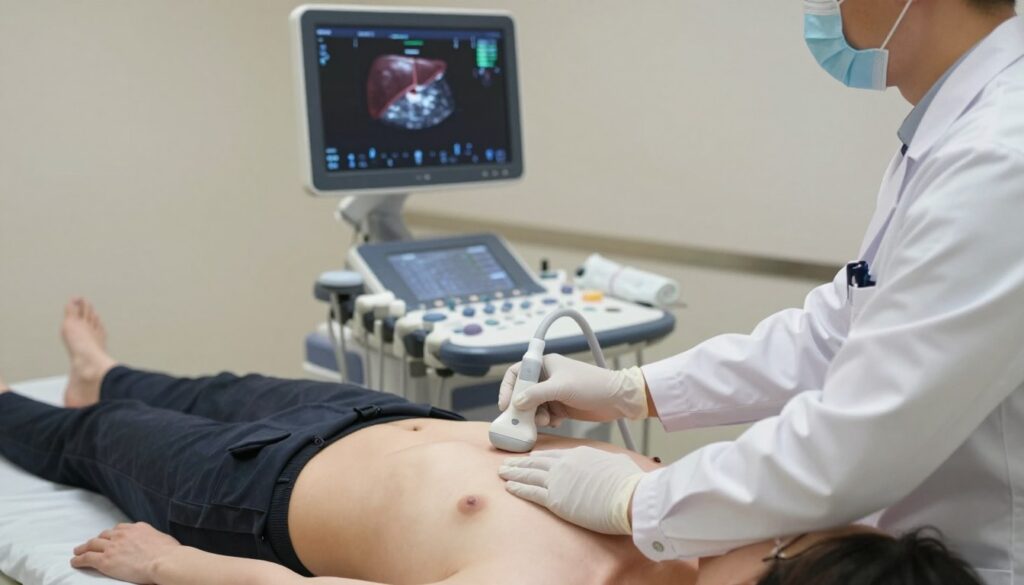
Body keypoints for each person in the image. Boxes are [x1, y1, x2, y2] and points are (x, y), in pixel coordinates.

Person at [496, 0, 1024, 582]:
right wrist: (634, 389)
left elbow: (856, 447)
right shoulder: (947, 136)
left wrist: (638, 500)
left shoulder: (1000, 158)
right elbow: (833, 332)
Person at [0, 300, 986, 585]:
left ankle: (73, 402)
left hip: (250, 495)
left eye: (775, 554)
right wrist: (611, 395)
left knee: (100, 437)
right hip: (368, 418)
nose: (763, 530)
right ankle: (104, 369)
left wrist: (178, 566)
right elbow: (828, 373)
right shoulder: (711, 527)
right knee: (202, 384)